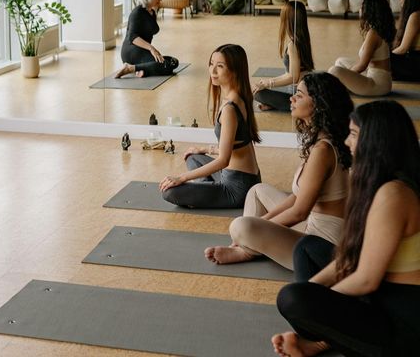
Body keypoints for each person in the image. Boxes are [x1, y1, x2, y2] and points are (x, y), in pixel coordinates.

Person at [272, 100, 420, 357]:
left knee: (292, 299)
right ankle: (324, 338)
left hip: (404, 322)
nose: (348, 142)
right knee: (309, 248)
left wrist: (318, 302)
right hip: (381, 296)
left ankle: (323, 340)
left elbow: (366, 278)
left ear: (376, 141)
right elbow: (348, 259)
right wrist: (315, 295)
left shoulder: (394, 194)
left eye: (353, 134)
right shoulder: (382, 185)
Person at [204, 73, 352, 270]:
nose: (291, 98)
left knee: (240, 226)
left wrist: (255, 227)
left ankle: (246, 249)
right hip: (311, 225)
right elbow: (296, 198)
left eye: (299, 95)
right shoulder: (321, 141)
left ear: (318, 104)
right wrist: (261, 222)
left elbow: (299, 212)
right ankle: (250, 245)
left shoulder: (323, 151)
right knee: (257, 191)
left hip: (322, 247)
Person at [159, 44, 261, 209]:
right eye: (211, 63)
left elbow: (224, 160)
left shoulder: (230, 109)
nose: (212, 71)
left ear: (235, 70)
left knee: (169, 192)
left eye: (220, 66)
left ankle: (205, 188)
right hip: (243, 177)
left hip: (237, 188)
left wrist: (181, 178)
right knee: (192, 157)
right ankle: (205, 187)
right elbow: (232, 147)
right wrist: (204, 150)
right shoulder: (237, 96)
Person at [328, 0, 395, 96]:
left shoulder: (373, 33)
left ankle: (334, 88)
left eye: (361, 7)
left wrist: (347, 74)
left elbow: (362, 66)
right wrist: (347, 74)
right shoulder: (379, 30)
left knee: (334, 71)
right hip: (379, 78)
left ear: (369, 11)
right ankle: (341, 86)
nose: (359, 10)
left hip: (377, 84)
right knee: (340, 61)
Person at [253, 1, 314, 112]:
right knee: (262, 87)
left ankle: (289, 106)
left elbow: (293, 77)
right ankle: (276, 104)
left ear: (288, 21)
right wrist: (268, 82)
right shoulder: (303, 39)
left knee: (257, 93)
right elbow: (289, 74)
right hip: (304, 90)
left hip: (298, 95)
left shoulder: (293, 45)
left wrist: (268, 83)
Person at [114, 0, 179, 79]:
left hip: (143, 50)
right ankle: (129, 68)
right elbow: (132, 37)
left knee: (174, 62)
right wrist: (152, 48)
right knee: (166, 66)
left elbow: (154, 29)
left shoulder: (151, 12)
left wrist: (156, 10)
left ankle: (141, 69)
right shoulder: (137, 13)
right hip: (132, 51)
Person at [391, 0, 420, 82]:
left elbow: (403, 48)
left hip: (417, 63)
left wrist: (386, 58)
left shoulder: (416, 16)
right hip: (413, 59)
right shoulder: (413, 14)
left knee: (383, 58)